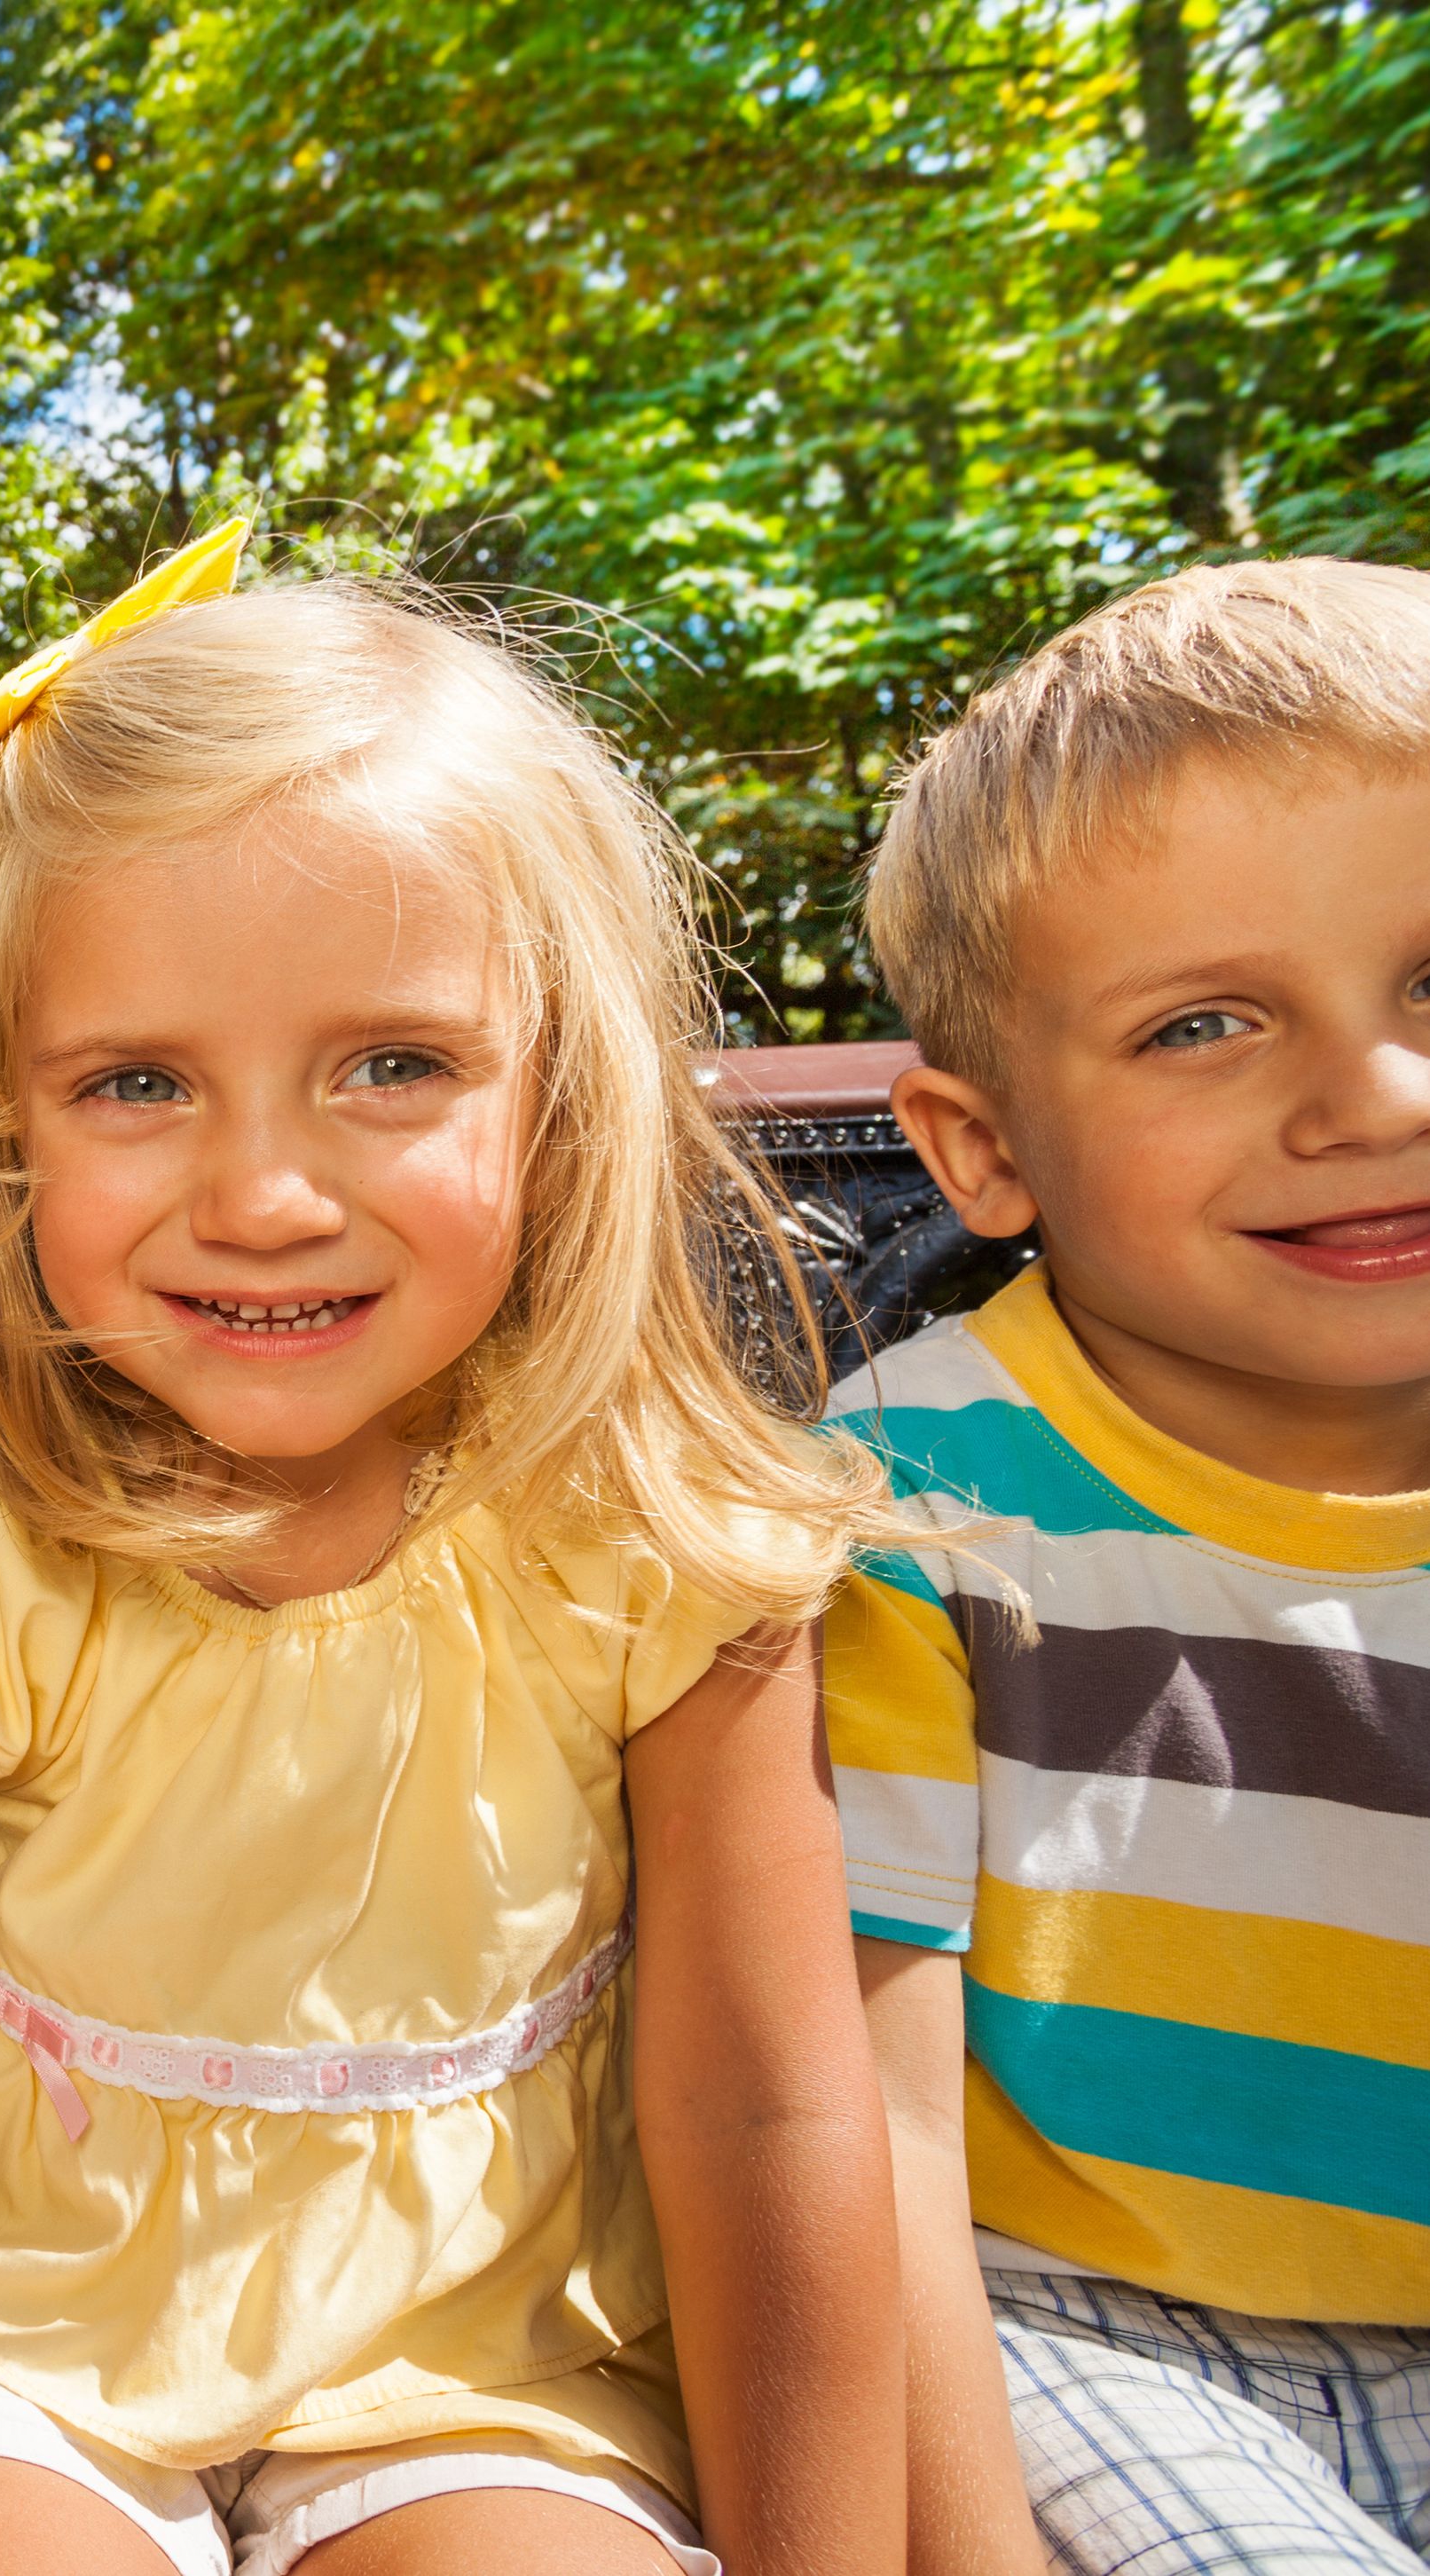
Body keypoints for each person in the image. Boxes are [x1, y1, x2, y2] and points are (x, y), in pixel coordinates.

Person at [0, 530, 915, 2576]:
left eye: (390, 1067)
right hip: (13, 2355)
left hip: (486, 2376)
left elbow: (764, 2115)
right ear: (7, 1122)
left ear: (556, 1093)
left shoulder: (651, 1523)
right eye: (137, 1084)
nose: (260, 1194)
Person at [827, 557, 1430, 2576]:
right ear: (979, 1151)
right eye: (1200, 1025)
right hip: (1079, 2332)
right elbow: (873, 2128)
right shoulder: (911, 1497)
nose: (1368, 1097)